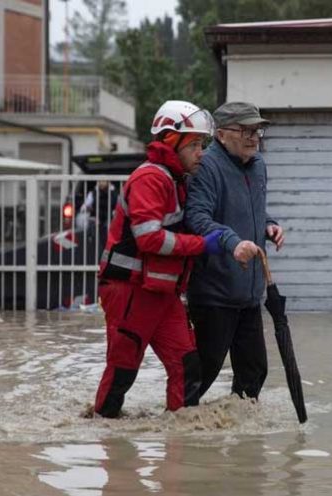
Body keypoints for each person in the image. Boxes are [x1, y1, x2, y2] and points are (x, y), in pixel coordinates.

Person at [93, 100, 224, 418]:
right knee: (123, 371)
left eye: (202, 145)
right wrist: (201, 245)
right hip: (130, 290)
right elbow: (149, 238)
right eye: (195, 145)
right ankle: (107, 446)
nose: (201, 153)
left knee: (188, 366)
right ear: (171, 141)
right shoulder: (151, 178)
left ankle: (180, 445)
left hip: (161, 293)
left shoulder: (174, 179)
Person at [185, 101, 284, 400]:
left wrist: (269, 224)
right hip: (214, 293)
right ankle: (177, 433)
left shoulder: (258, 166)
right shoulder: (207, 167)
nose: (253, 137)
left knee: (254, 372)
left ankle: (242, 441)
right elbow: (197, 219)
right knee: (203, 372)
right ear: (222, 134)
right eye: (245, 130)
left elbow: (250, 211)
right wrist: (232, 241)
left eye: (258, 130)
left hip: (249, 293)